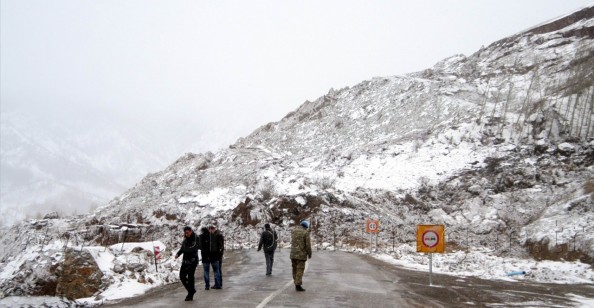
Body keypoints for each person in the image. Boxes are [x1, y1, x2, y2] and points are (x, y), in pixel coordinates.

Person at [175, 226, 199, 301]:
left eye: (187, 232)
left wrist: (185, 250)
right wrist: (178, 254)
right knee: (182, 276)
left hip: (193, 260)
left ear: (191, 231)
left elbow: (192, 249)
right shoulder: (185, 239)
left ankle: (190, 294)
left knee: (190, 276)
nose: (186, 234)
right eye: (185, 233)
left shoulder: (196, 238)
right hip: (185, 260)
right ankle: (191, 290)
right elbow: (183, 248)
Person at [290, 219, 312, 292]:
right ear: (306, 226)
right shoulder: (305, 232)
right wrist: (309, 253)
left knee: (294, 269)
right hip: (301, 255)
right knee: (300, 269)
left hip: (293, 254)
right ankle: (298, 285)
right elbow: (308, 245)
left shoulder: (293, 231)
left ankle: (296, 281)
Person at [200, 226, 222, 290]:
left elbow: (200, 247)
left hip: (205, 257)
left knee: (206, 271)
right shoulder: (213, 236)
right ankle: (217, 284)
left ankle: (207, 286)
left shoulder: (201, 237)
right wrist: (218, 255)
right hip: (214, 256)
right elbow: (218, 246)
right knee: (216, 271)